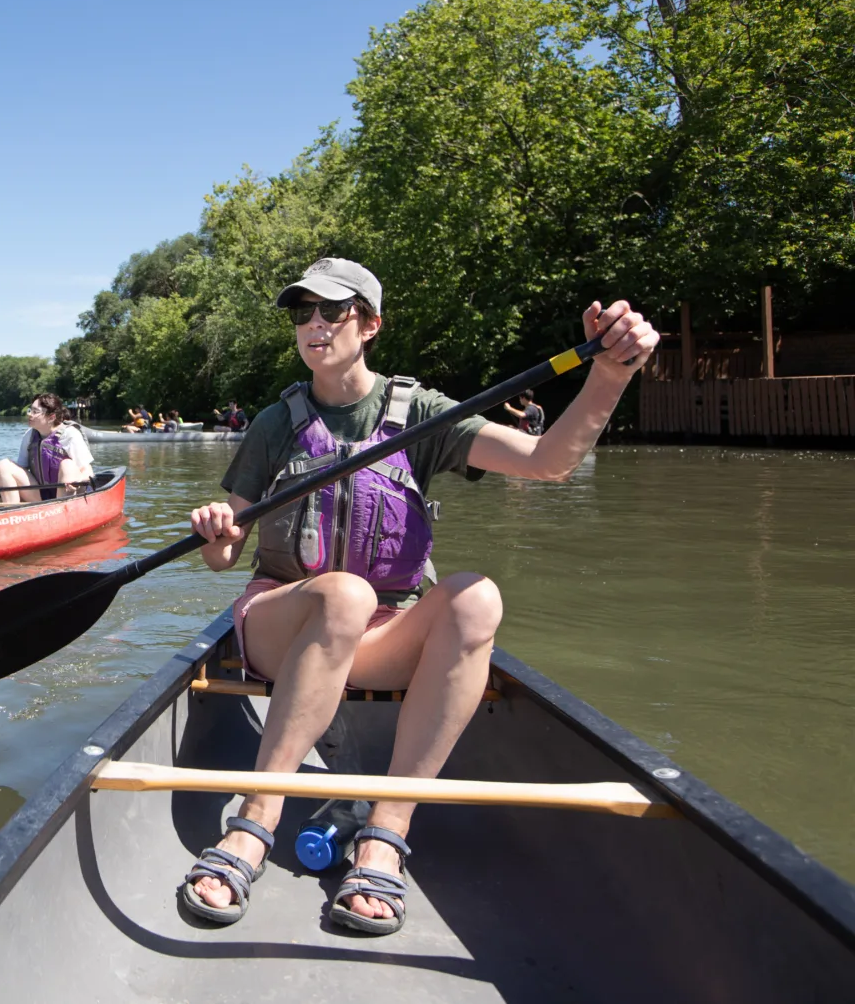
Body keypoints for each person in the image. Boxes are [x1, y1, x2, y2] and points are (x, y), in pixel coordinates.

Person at [182, 256, 657, 935]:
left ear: (370, 324)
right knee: (341, 593)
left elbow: (549, 462)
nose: (314, 324)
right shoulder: (272, 423)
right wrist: (213, 531)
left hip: (379, 635)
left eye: (332, 311)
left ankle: (386, 830)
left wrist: (610, 375)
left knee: (476, 598)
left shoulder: (423, 414)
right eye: (302, 313)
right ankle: (253, 824)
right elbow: (225, 556)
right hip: (279, 627)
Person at [0, 393, 94, 504]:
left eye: (35, 412)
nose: (30, 415)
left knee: (67, 464)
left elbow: (88, 472)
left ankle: (62, 510)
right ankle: (12, 513)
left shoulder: (70, 434)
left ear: (51, 417)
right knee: (4, 465)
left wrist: (78, 481)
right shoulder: (30, 435)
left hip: (68, 494)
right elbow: (21, 469)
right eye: (30, 410)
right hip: (40, 494)